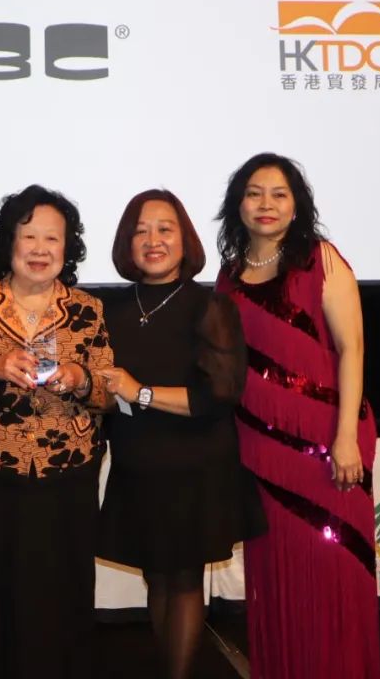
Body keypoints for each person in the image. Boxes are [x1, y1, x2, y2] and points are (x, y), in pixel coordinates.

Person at [214, 153, 380, 678]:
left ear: (296, 205)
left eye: (279, 194)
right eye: (254, 193)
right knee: (278, 578)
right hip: (260, 454)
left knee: (334, 576)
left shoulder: (320, 260)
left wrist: (345, 437)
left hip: (329, 445)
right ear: (238, 204)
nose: (266, 204)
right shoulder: (228, 277)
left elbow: (352, 348)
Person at [0, 185, 113, 679]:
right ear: (8, 242)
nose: (40, 249)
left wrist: (81, 378)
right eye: (29, 236)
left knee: (69, 589)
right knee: (6, 588)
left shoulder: (88, 309)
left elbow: (108, 392)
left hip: (69, 470)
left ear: (67, 247)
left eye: (52, 238)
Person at [95, 190, 266, 679]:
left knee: (185, 579)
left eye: (164, 229)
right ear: (126, 243)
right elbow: (106, 392)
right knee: (156, 576)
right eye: (141, 231)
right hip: (138, 464)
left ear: (184, 239)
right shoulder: (110, 309)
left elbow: (221, 394)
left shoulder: (209, 306)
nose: (153, 240)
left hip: (196, 465)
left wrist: (141, 392)